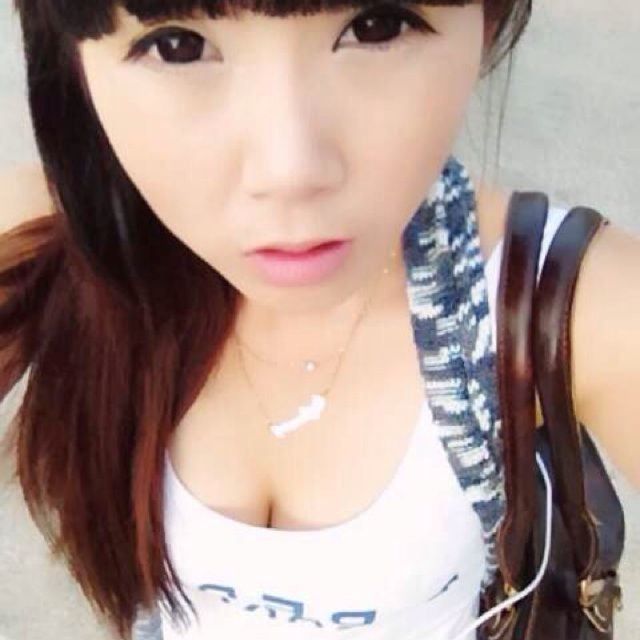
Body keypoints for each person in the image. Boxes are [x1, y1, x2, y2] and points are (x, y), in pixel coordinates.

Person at [0, 1, 638, 639]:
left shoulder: (568, 301)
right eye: (178, 46)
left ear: (487, 24)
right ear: (74, 60)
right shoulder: (48, 246)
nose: (289, 172)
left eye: (376, 26)